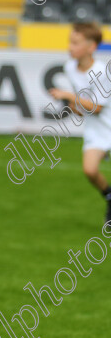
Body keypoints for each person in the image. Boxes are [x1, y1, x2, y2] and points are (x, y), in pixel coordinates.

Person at [50, 22, 111, 224]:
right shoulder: (70, 67)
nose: (70, 47)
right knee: (90, 170)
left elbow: (98, 107)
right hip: (96, 129)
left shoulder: (102, 72)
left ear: (91, 47)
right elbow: (85, 106)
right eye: (70, 42)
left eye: (75, 43)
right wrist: (75, 106)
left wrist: (69, 97)